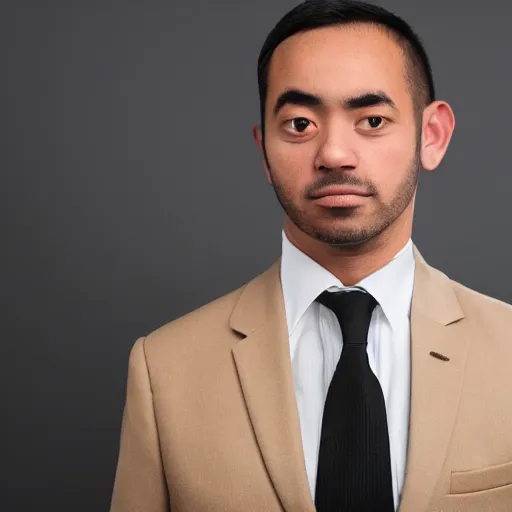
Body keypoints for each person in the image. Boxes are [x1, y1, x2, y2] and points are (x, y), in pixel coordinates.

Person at [110, 1, 512, 510]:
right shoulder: (163, 370)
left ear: (431, 136)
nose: (334, 154)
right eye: (300, 123)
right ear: (263, 152)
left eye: (371, 119)